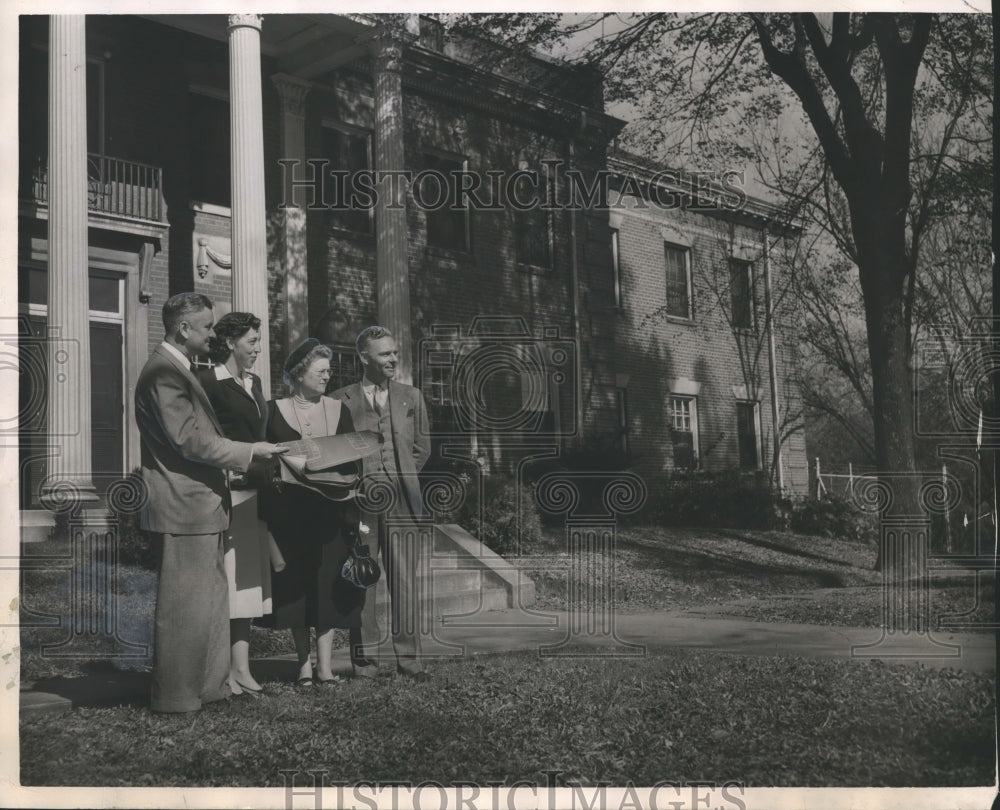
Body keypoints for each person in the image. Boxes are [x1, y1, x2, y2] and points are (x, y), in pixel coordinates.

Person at [135, 293, 286, 714]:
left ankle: (210, 688)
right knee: (185, 609)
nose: (212, 334)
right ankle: (178, 698)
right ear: (184, 329)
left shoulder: (176, 369)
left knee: (210, 604)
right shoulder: (163, 374)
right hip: (183, 506)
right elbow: (188, 439)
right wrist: (250, 451)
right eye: (205, 327)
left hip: (201, 505)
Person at [258, 338, 366, 686]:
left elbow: (355, 459)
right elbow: (261, 459)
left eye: (328, 371)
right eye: (320, 371)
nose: (326, 377)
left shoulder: (338, 410)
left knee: (327, 587)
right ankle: (303, 664)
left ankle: (324, 666)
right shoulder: (272, 411)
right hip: (289, 515)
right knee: (295, 587)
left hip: (332, 514)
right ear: (298, 374)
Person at [332, 326, 431, 681]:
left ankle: (410, 662)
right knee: (363, 583)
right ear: (364, 358)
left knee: (405, 583)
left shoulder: (411, 397)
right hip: (361, 505)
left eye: (394, 352)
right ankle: (365, 665)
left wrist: (398, 478)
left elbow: (422, 448)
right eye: (384, 354)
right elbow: (336, 454)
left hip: (404, 501)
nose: (393, 359)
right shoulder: (340, 399)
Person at [197, 311, 274, 697]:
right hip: (225, 494)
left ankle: (242, 669)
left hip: (254, 494)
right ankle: (222, 670)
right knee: (227, 581)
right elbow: (203, 437)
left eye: (258, 341)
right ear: (229, 343)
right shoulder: (208, 381)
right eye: (251, 342)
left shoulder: (254, 382)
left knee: (246, 582)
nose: (257, 348)